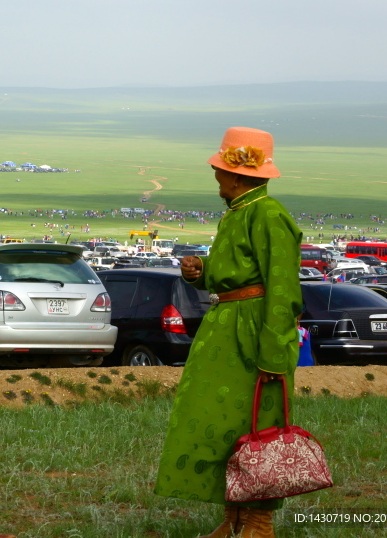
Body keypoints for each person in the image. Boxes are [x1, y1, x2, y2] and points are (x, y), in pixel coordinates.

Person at [155, 127, 306, 538]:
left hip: (254, 330)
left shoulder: (270, 216)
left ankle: (259, 520)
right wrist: (201, 273)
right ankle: (234, 517)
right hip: (225, 328)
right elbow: (237, 275)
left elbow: (282, 289)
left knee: (260, 423)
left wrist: (275, 353)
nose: (216, 179)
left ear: (237, 177)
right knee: (223, 424)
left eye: (220, 171)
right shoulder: (239, 213)